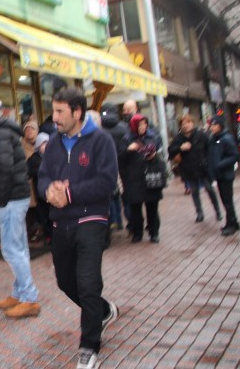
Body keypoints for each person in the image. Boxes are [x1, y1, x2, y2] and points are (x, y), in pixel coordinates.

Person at [37, 88, 119, 369]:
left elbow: (107, 181)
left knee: (87, 283)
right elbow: (43, 177)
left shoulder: (101, 141)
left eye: (60, 111)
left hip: (91, 220)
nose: (54, 117)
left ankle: (89, 346)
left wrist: (70, 194)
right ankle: (103, 310)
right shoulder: (53, 144)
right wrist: (49, 190)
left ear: (77, 112)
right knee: (65, 282)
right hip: (61, 223)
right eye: (54, 110)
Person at [0, 97, 40, 319]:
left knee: (12, 249)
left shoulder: (0, 134)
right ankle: (20, 292)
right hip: (13, 197)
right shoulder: (0, 132)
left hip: (10, 198)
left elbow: (3, 169)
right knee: (18, 248)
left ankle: (29, 298)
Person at [168, 114, 221, 223]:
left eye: (188, 122)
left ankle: (217, 210)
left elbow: (210, 148)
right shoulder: (179, 138)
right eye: (183, 123)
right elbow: (170, 151)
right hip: (188, 168)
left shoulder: (201, 134)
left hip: (203, 168)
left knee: (209, 189)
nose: (186, 125)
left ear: (192, 123)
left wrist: (210, 163)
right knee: (194, 191)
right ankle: (199, 213)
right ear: (180, 126)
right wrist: (180, 148)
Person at [119, 114, 164, 243]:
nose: (143, 127)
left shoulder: (153, 136)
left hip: (151, 175)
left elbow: (160, 150)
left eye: (144, 124)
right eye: (140, 125)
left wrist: (154, 154)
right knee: (135, 208)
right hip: (133, 178)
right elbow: (120, 157)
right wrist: (128, 150)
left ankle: (154, 232)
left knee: (152, 207)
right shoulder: (127, 138)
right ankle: (137, 233)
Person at [207, 115, 240, 236]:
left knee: (227, 201)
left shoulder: (226, 138)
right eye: (211, 125)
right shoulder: (213, 138)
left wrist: (220, 164)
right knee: (225, 200)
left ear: (220, 126)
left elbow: (234, 155)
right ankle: (233, 222)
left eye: (214, 125)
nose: (212, 127)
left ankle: (231, 225)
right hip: (219, 175)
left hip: (226, 174)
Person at [100, 103, 128, 231]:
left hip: (106, 165)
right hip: (123, 165)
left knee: (111, 195)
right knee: (125, 195)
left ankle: (114, 221)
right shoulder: (123, 127)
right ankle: (129, 222)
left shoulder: (99, 129)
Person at [27, 133, 52, 246]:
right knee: (44, 216)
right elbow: (28, 173)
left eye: (47, 143)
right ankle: (48, 235)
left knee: (53, 216)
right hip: (40, 193)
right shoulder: (34, 159)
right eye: (43, 143)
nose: (46, 146)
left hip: (52, 191)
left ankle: (54, 235)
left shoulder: (53, 156)